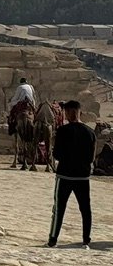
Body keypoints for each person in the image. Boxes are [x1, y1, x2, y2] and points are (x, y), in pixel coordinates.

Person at [48, 100, 96, 248]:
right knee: (85, 208)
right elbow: (91, 158)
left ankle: (53, 239)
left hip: (65, 176)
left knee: (59, 209)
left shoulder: (62, 131)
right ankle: (86, 240)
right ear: (79, 112)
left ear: (68, 113)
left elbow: (56, 154)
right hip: (83, 176)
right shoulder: (90, 132)